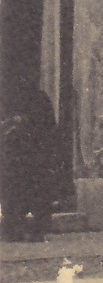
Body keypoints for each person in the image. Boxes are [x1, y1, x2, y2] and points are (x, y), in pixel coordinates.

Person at [0, 78, 59, 243]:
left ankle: (33, 228)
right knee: (15, 191)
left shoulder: (40, 100)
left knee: (35, 191)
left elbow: (48, 130)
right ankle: (14, 226)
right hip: (17, 156)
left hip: (33, 155)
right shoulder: (9, 100)